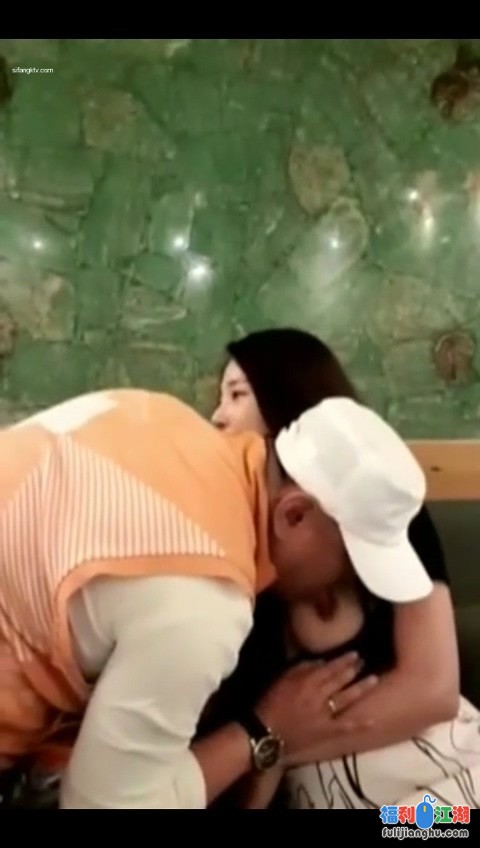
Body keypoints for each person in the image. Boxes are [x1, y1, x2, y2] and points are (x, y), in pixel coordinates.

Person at [0, 385, 429, 809]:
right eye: (349, 569)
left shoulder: (160, 414)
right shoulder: (203, 597)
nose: (335, 591)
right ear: (294, 515)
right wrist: (263, 730)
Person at [209, 327, 480, 810]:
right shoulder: (223, 550)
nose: (217, 416)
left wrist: (276, 743)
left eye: (237, 395)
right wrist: (264, 739)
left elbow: (433, 691)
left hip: (443, 768)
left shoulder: (387, 507)